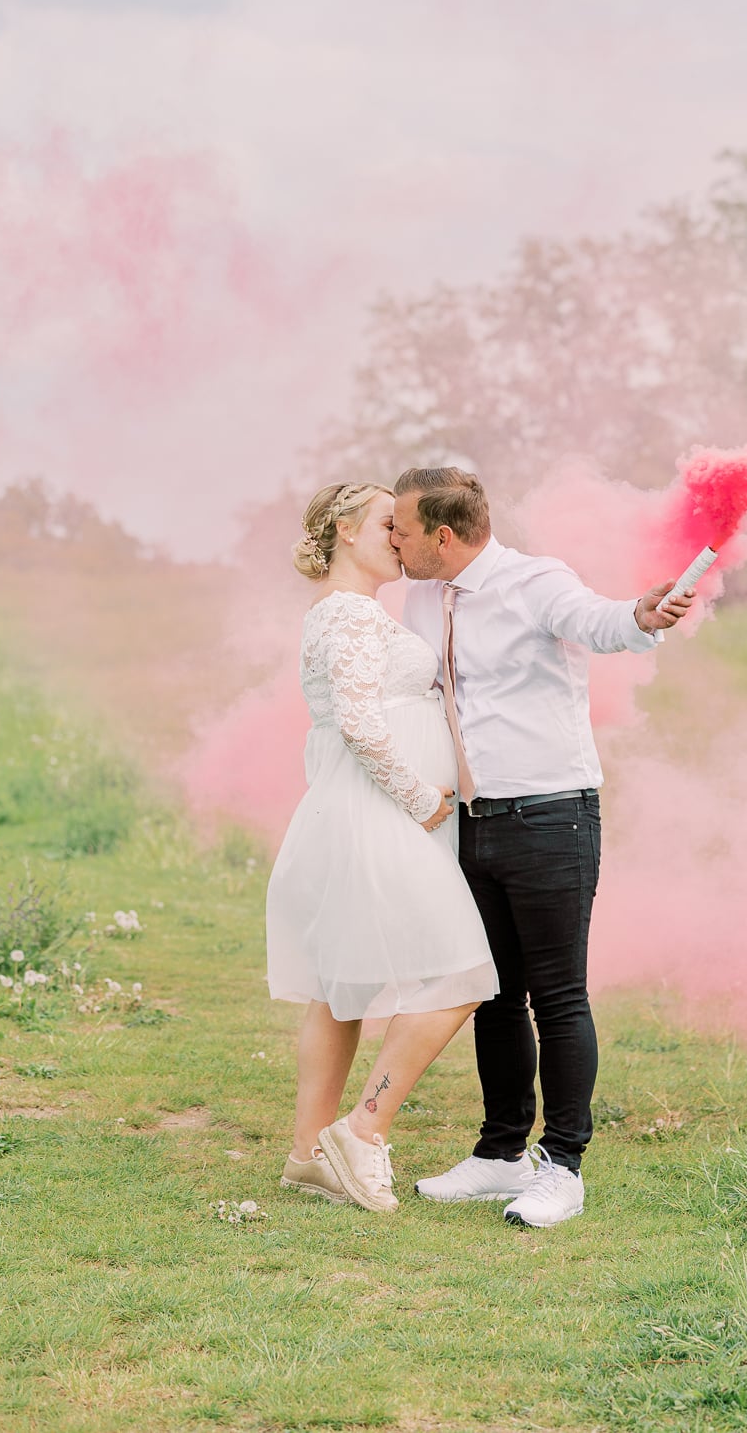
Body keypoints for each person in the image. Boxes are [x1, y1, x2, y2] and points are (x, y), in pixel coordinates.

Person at [392, 466, 693, 1229]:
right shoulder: (422, 595)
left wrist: (644, 613)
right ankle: (500, 1154)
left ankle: (563, 1165)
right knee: (493, 993)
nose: (394, 540)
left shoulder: (536, 581)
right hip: (472, 820)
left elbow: (599, 620)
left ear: (443, 535)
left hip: (552, 816)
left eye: (402, 528)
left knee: (558, 995)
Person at [265, 481, 498, 1214]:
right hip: (382, 818)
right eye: (385, 524)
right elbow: (363, 725)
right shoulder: (347, 614)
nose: (399, 538)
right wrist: (423, 799)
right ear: (342, 528)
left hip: (357, 816)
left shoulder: (353, 612)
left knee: (339, 990)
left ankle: (308, 1154)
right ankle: (364, 1130)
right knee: (461, 974)